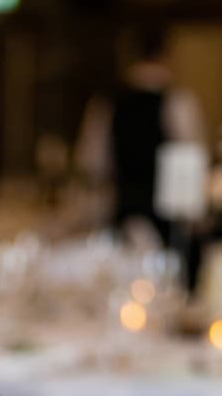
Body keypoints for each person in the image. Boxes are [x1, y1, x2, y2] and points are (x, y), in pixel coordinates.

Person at [76, 26, 205, 242]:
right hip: (167, 225)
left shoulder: (107, 103)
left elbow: (92, 163)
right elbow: (192, 167)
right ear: (167, 55)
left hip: (121, 216)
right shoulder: (179, 102)